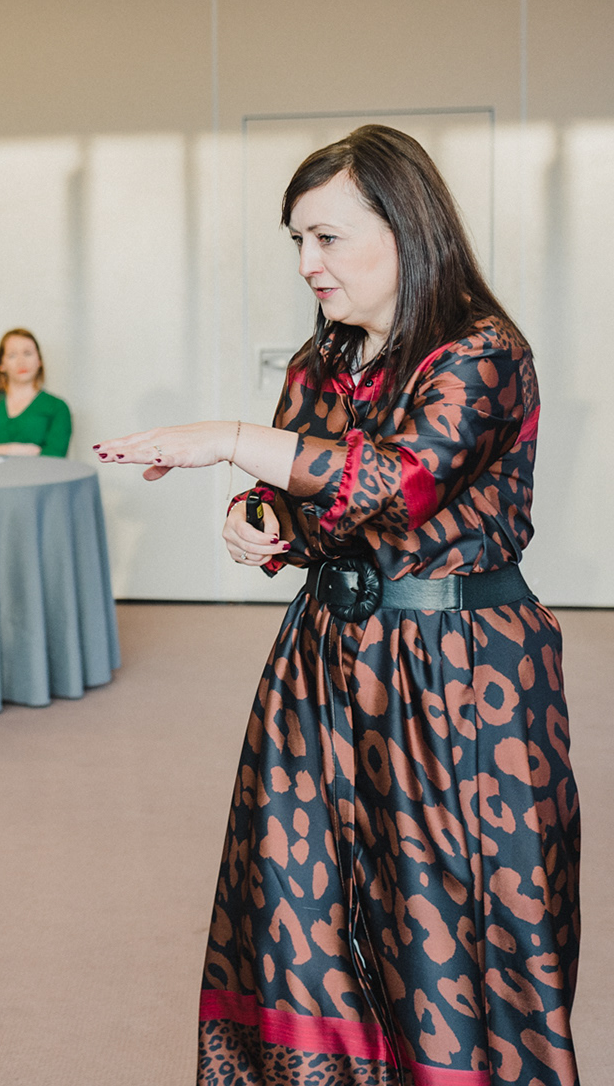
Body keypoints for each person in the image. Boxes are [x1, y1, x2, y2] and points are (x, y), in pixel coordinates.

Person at [94, 125, 577, 1085]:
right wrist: (257, 517)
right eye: (297, 242)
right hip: (322, 666)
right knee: (298, 914)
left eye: (327, 238)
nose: (307, 264)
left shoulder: (482, 353)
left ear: (406, 229)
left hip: (457, 677)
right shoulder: (321, 363)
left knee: (445, 929)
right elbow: (307, 505)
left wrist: (231, 439)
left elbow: (398, 483)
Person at [0, 329, 72, 457]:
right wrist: (13, 450)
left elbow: (55, 456)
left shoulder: (57, 408)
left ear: (39, 361)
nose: (21, 361)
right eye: (12, 355)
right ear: (1, 365)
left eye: (27, 353)